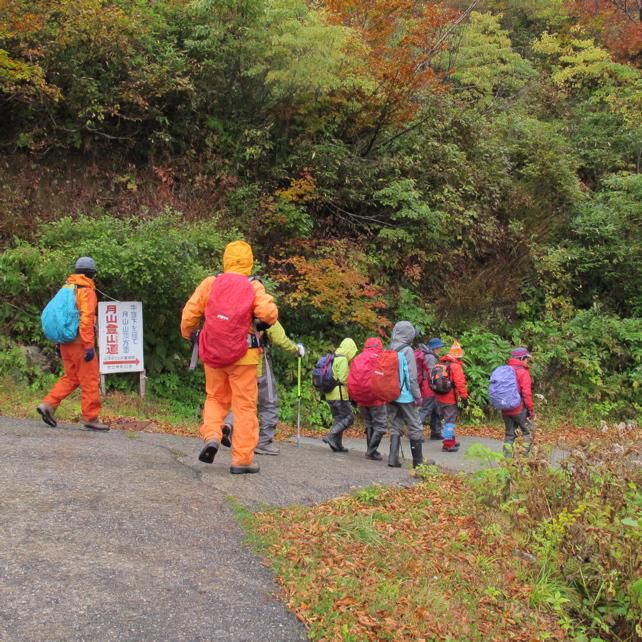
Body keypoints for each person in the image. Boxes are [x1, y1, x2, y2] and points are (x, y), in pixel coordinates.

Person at [180, 240, 278, 474]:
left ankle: (212, 435)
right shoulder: (253, 285)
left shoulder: (210, 283)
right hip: (244, 357)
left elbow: (189, 314)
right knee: (244, 407)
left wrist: (189, 335)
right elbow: (269, 313)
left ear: (225, 260)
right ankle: (242, 460)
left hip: (213, 354)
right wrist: (261, 322)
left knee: (214, 398)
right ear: (249, 262)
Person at [37, 257, 109, 431]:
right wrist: (89, 345)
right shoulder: (86, 291)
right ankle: (91, 418)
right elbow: (86, 320)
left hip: (65, 342)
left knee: (71, 377)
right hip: (80, 343)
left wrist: (58, 340)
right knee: (90, 379)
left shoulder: (67, 287)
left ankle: (48, 404)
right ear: (92, 273)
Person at [223, 320, 305, 455]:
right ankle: (264, 442)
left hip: (237, 363)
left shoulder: (239, 310)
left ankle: (228, 424)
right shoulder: (264, 313)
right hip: (259, 365)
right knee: (269, 403)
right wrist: (297, 349)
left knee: (242, 401)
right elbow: (280, 339)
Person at [386, 321, 428, 468]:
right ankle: (418, 463)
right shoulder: (407, 350)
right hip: (405, 395)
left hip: (390, 393)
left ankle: (392, 459)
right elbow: (412, 377)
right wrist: (418, 396)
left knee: (396, 424)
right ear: (408, 334)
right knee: (415, 425)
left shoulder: (390, 348)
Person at [347, 337, 387, 461]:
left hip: (360, 398)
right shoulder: (380, 358)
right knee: (380, 425)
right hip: (376, 398)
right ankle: (371, 451)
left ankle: (370, 450)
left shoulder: (358, 358)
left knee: (369, 423)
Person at [322, 338, 358, 453]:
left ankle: (337, 445)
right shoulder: (342, 359)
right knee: (349, 418)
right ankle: (331, 436)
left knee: (339, 419)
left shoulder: (333, 357)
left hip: (330, 394)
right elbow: (344, 379)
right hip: (340, 395)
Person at [434, 340, 468, 452]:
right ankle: (448, 444)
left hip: (439, 397)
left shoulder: (440, 363)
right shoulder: (455, 366)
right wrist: (464, 398)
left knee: (448, 419)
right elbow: (460, 383)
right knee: (450, 421)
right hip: (449, 398)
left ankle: (451, 440)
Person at [502, 347, 534, 457]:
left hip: (505, 408)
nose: (527, 361)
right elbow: (526, 394)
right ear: (521, 358)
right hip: (519, 409)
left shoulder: (505, 370)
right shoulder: (523, 372)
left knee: (510, 435)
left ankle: (507, 461)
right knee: (528, 432)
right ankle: (521, 459)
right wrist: (530, 410)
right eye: (526, 358)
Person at [415, 337, 444, 440]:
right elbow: (432, 374)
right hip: (430, 387)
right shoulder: (430, 357)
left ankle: (436, 432)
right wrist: (440, 384)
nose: (440, 349)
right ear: (435, 348)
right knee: (425, 410)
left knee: (436, 409)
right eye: (440, 347)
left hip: (430, 387)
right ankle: (415, 433)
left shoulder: (429, 355)